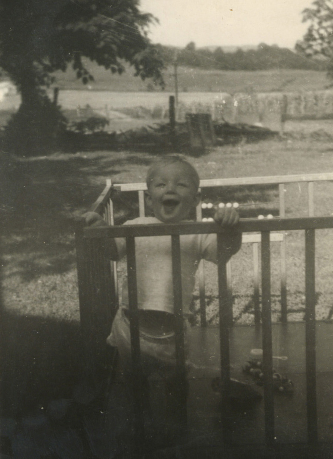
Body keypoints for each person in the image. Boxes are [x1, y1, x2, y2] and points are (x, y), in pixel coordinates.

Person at [84, 155, 242, 439]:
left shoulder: (198, 232)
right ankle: (140, 429)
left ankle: (176, 431)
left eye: (181, 185)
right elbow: (110, 250)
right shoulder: (135, 225)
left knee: (176, 385)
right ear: (149, 196)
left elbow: (223, 252)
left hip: (172, 332)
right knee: (134, 384)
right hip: (130, 327)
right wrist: (98, 232)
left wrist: (230, 229)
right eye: (161, 184)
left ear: (195, 198)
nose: (170, 189)